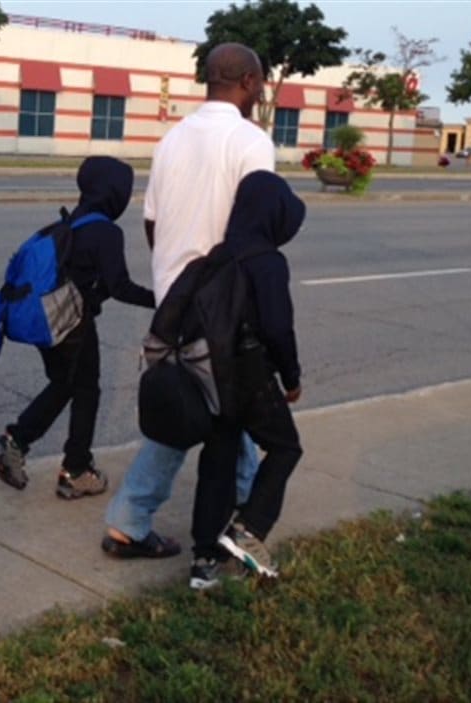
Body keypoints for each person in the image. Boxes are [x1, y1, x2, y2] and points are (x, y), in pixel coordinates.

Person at [101, 43, 274, 590]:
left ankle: (134, 521)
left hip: (174, 299)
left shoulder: (172, 139)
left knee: (194, 403)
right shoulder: (250, 141)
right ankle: (229, 517)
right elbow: (255, 228)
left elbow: (152, 221)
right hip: (224, 303)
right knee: (224, 406)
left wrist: (172, 274)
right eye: (261, 83)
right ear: (248, 81)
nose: (263, 91)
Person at [0, 156, 156, 500]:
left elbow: (92, 280)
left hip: (47, 320)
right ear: (113, 193)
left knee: (65, 384)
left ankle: (18, 442)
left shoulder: (70, 222)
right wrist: (164, 300)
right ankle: (74, 469)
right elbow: (119, 286)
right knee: (86, 390)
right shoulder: (106, 231)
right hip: (73, 325)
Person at [209, 170, 305, 579]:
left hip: (211, 369)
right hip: (249, 371)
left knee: (221, 452)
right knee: (285, 447)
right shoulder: (266, 261)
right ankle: (248, 530)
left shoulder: (217, 253)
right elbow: (277, 328)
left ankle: (208, 547)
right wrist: (292, 378)